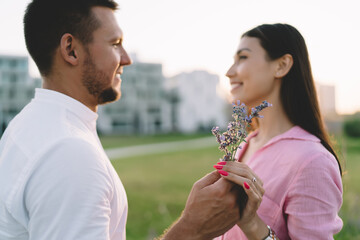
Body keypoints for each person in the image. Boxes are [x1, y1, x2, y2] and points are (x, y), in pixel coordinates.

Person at [0, 0, 248, 239]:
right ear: (71, 50)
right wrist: (191, 229)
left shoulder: (27, 125)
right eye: (115, 43)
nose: (126, 58)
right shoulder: (69, 152)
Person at [211, 23, 343, 239]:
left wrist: (253, 225)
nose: (229, 72)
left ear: (281, 65)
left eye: (242, 58)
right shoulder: (244, 145)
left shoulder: (313, 161)